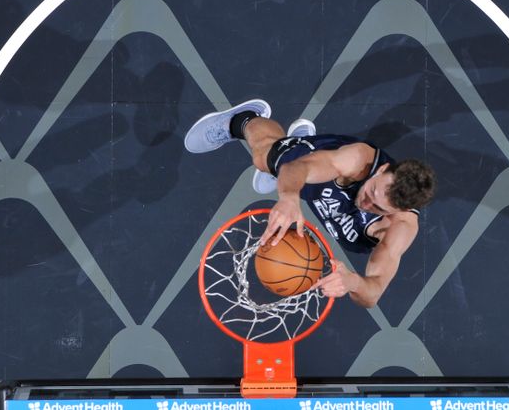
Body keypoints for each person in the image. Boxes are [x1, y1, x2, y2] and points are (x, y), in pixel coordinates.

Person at [184, 99, 435, 308]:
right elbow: (298, 167)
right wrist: (289, 197)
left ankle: (296, 145)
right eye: (371, 192)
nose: (366, 202)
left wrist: (353, 283)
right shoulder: (356, 160)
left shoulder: (399, 228)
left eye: (377, 208)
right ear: (381, 170)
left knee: (293, 181)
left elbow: (374, 292)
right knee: (267, 159)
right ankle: (242, 120)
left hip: (327, 200)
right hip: (326, 167)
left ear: (397, 211)